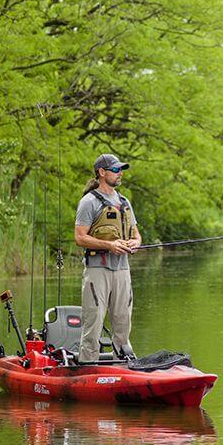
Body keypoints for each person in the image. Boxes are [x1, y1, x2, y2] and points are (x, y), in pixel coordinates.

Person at [74, 153, 142, 362]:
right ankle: (88, 366)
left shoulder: (124, 202)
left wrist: (135, 242)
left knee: (123, 321)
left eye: (121, 169)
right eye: (115, 170)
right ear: (102, 173)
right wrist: (109, 245)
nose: (120, 173)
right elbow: (79, 237)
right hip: (97, 270)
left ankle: (122, 365)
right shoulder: (88, 202)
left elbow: (136, 233)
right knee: (93, 321)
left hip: (122, 270)